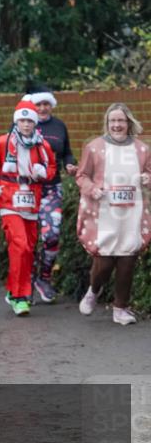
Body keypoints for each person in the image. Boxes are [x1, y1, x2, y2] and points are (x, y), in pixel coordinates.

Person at [75, 103, 151, 325]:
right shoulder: (94, 147)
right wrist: (92, 190)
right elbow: (82, 176)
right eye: (113, 121)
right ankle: (94, 290)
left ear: (129, 123)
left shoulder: (142, 149)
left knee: (128, 261)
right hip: (103, 213)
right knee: (105, 262)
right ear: (107, 123)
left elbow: (149, 172)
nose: (117, 125)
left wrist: (148, 178)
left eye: (121, 121)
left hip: (133, 213)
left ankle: (121, 308)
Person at [0, 100, 55, 317]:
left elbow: (52, 168)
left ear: (34, 123)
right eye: (22, 120)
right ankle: (20, 296)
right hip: (9, 199)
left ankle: (14, 291)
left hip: (32, 200)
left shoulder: (43, 146)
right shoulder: (2, 143)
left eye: (29, 120)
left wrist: (44, 173)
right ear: (16, 121)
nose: (25, 124)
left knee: (28, 249)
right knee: (20, 245)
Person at [26, 87, 77, 303]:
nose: (43, 108)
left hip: (52, 187)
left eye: (46, 104)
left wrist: (70, 164)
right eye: (39, 105)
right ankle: (25, 280)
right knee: (27, 239)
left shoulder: (59, 126)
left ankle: (44, 278)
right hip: (27, 190)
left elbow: (67, 152)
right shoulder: (24, 124)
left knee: (52, 234)